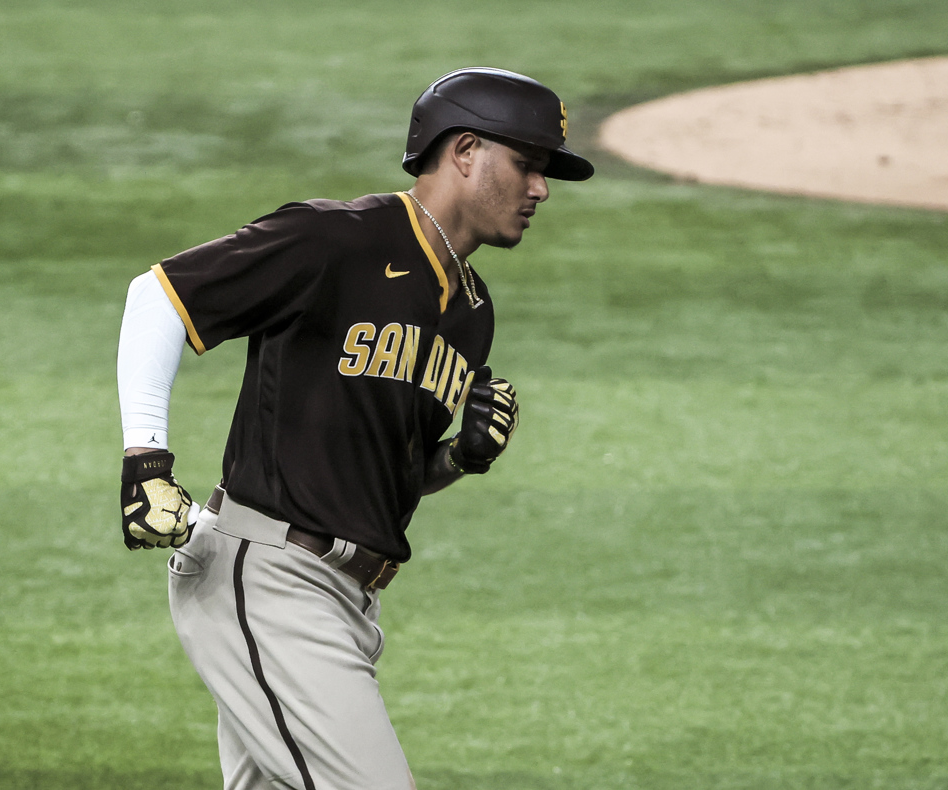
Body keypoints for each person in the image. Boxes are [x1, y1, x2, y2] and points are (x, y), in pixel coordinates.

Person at [116, 67, 594, 790]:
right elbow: (157, 297)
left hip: (345, 602)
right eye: (528, 164)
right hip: (271, 580)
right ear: (465, 150)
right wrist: (146, 461)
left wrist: (457, 460)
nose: (541, 190)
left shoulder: (471, 309)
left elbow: (378, 473)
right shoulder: (336, 239)